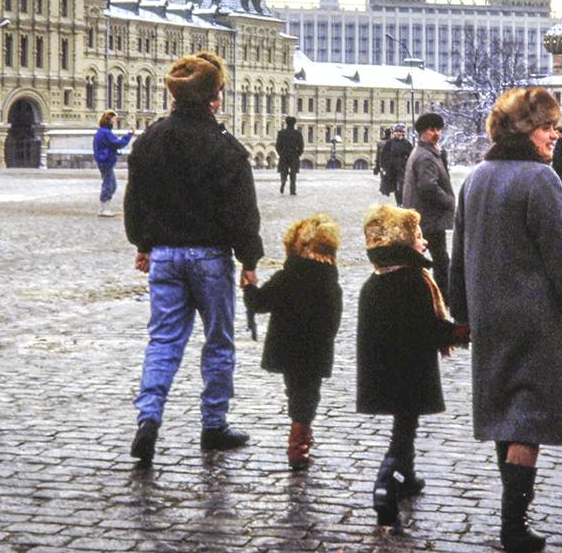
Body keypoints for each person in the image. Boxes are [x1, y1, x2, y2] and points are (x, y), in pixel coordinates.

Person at [450, 86, 562, 553]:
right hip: (532, 317)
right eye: (547, 127)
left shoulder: (476, 177)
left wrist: (461, 314)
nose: (556, 136)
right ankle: (514, 526)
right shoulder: (541, 181)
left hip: (489, 315)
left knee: (506, 414)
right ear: (523, 129)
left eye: (556, 127)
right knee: (528, 419)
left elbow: (458, 255)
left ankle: (512, 518)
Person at [124, 52, 264, 466]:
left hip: (164, 256)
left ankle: (148, 419)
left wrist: (143, 244)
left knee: (163, 340)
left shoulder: (149, 140)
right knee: (218, 342)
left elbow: (136, 200)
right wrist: (250, 260)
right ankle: (214, 426)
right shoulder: (226, 149)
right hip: (210, 259)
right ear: (213, 98)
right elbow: (242, 211)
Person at [358, 203, 467, 526]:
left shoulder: (376, 281)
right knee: (404, 429)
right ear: (403, 243)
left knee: (406, 425)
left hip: (384, 372)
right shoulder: (414, 281)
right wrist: (464, 332)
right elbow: (429, 330)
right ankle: (386, 482)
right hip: (408, 373)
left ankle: (407, 474)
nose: (425, 242)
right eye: (418, 236)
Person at [242, 214, 342, 470]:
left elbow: (259, 303)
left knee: (296, 393)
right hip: (315, 351)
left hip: (287, 349)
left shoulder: (287, 276)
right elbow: (334, 321)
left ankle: (299, 439)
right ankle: (300, 439)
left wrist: (248, 288)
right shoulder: (331, 282)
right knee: (308, 395)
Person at [402, 112, 454, 301]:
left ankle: (436, 294)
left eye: (438, 129)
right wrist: (449, 201)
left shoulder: (428, 152)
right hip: (429, 217)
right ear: (422, 133)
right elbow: (428, 187)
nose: (437, 133)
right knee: (440, 260)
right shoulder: (426, 156)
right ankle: (444, 296)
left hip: (424, 216)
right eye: (432, 130)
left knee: (430, 258)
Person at [93, 110, 133, 216]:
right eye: (113, 119)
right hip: (106, 161)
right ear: (108, 120)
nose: (114, 121)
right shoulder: (105, 133)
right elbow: (118, 143)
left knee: (112, 184)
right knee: (109, 184)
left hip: (105, 161)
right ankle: (103, 209)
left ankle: (105, 207)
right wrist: (129, 135)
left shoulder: (102, 132)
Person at [380, 125, 413, 205]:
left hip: (402, 166)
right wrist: (384, 166)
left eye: (400, 132)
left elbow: (411, 155)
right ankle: (398, 202)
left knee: (402, 184)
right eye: (397, 131)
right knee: (394, 186)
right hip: (392, 167)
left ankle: (402, 201)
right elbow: (384, 154)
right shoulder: (390, 142)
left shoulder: (407, 143)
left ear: (403, 133)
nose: (398, 133)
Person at [276, 116, 304, 196]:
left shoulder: (281, 133)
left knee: (283, 171)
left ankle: (283, 182)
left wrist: (281, 153)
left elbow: (278, 145)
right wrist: (298, 153)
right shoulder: (297, 133)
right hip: (294, 154)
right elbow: (301, 145)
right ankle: (292, 190)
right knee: (293, 173)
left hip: (284, 153)